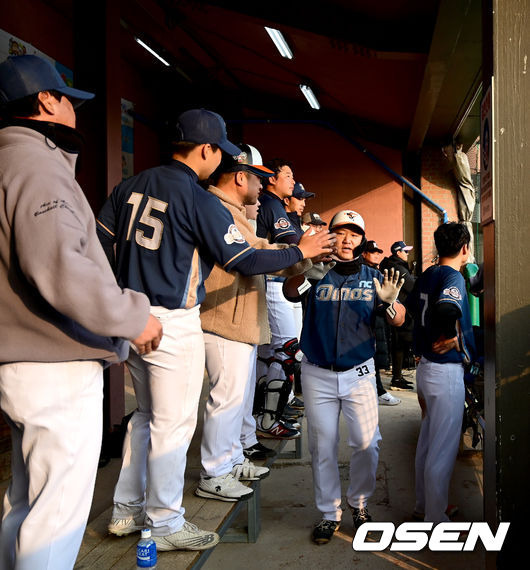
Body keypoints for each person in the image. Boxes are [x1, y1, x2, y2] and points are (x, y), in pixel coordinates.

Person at [97, 111, 334, 551]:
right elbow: (244, 261)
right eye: (219, 152)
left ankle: (126, 510)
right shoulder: (195, 195)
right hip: (172, 318)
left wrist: (119, 298)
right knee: (173, 424)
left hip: (130, 314)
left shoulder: (129, 185)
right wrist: (300, 249)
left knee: (145, 419)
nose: (220, 161)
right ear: (205, 150)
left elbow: (97, 242)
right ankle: (165, 523)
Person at [0, 54, 162, 570]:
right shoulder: (35, 165)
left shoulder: (9, 160)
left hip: (22, 360)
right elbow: (62, 269)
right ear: (46, 99)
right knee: (55, 517)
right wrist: (133, 317)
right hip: (53, 362)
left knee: (26, 507)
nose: (74, 110)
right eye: (68, 99)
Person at [198, 144, 316, 501]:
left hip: (238, 314)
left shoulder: (232, 210)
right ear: (239, 177)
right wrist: (300, 253)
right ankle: (215, 473)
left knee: (239, 394)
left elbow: (260, 249)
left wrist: (301, 255)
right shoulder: (217, 208)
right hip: (223, 317)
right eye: (257, 178)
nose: (262, 187)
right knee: (226, 398)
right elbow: (248, 259)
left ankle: (232, 458)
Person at [284, 210, 406, 545]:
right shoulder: (316, 271)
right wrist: (306, 263)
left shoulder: (373, 274)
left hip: (359, 373)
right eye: (341, 232)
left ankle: (360, 502)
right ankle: (328, 513)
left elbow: (398, 320)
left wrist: (390, 305)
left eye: (354, 233)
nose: (348, 239)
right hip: (317, 373)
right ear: (331, 236)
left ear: (361, 239)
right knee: (322, 446)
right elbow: (290, 293)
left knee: (368, 443)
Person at [406, 222, 475, 523]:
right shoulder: (452, 277)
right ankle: (435, 518)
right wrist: (455, 336)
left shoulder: (428, 274)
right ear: (464, 248)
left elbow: (411, 310)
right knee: (442, 449)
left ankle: (425, 506)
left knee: (427, 442)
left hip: (425, 369)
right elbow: (448, 309)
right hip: (444, 370)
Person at [255, 159, 305, 438]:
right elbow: (293, 245)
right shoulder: (272, 204)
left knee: (267, 355)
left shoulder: (270, 203)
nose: (292, 179)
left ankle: (262, 416)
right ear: (271, 179)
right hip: (273, 282)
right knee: (286, 351)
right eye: (287, 174)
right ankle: (268, 418)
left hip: (270, 283)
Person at [362, 240, 401, 406]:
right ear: (363, 254)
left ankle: (377, 391)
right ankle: (378, 392)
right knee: (370, 359)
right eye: (372, 251)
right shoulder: (361, 272)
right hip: (364, 325)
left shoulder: (379, 272)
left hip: (379, 321)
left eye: (378, 251)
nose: (377, 254)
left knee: (376, 359)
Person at [381, 240, 416, 390]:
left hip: (398, 310)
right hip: (398, 311)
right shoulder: (396, 267)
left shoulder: (397, 265)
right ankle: (396, 378)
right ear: (398, 252)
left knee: (399, 345)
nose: (408, 254)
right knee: (400, 343)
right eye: (405, 251)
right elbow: (412, 286)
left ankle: (397, 377)